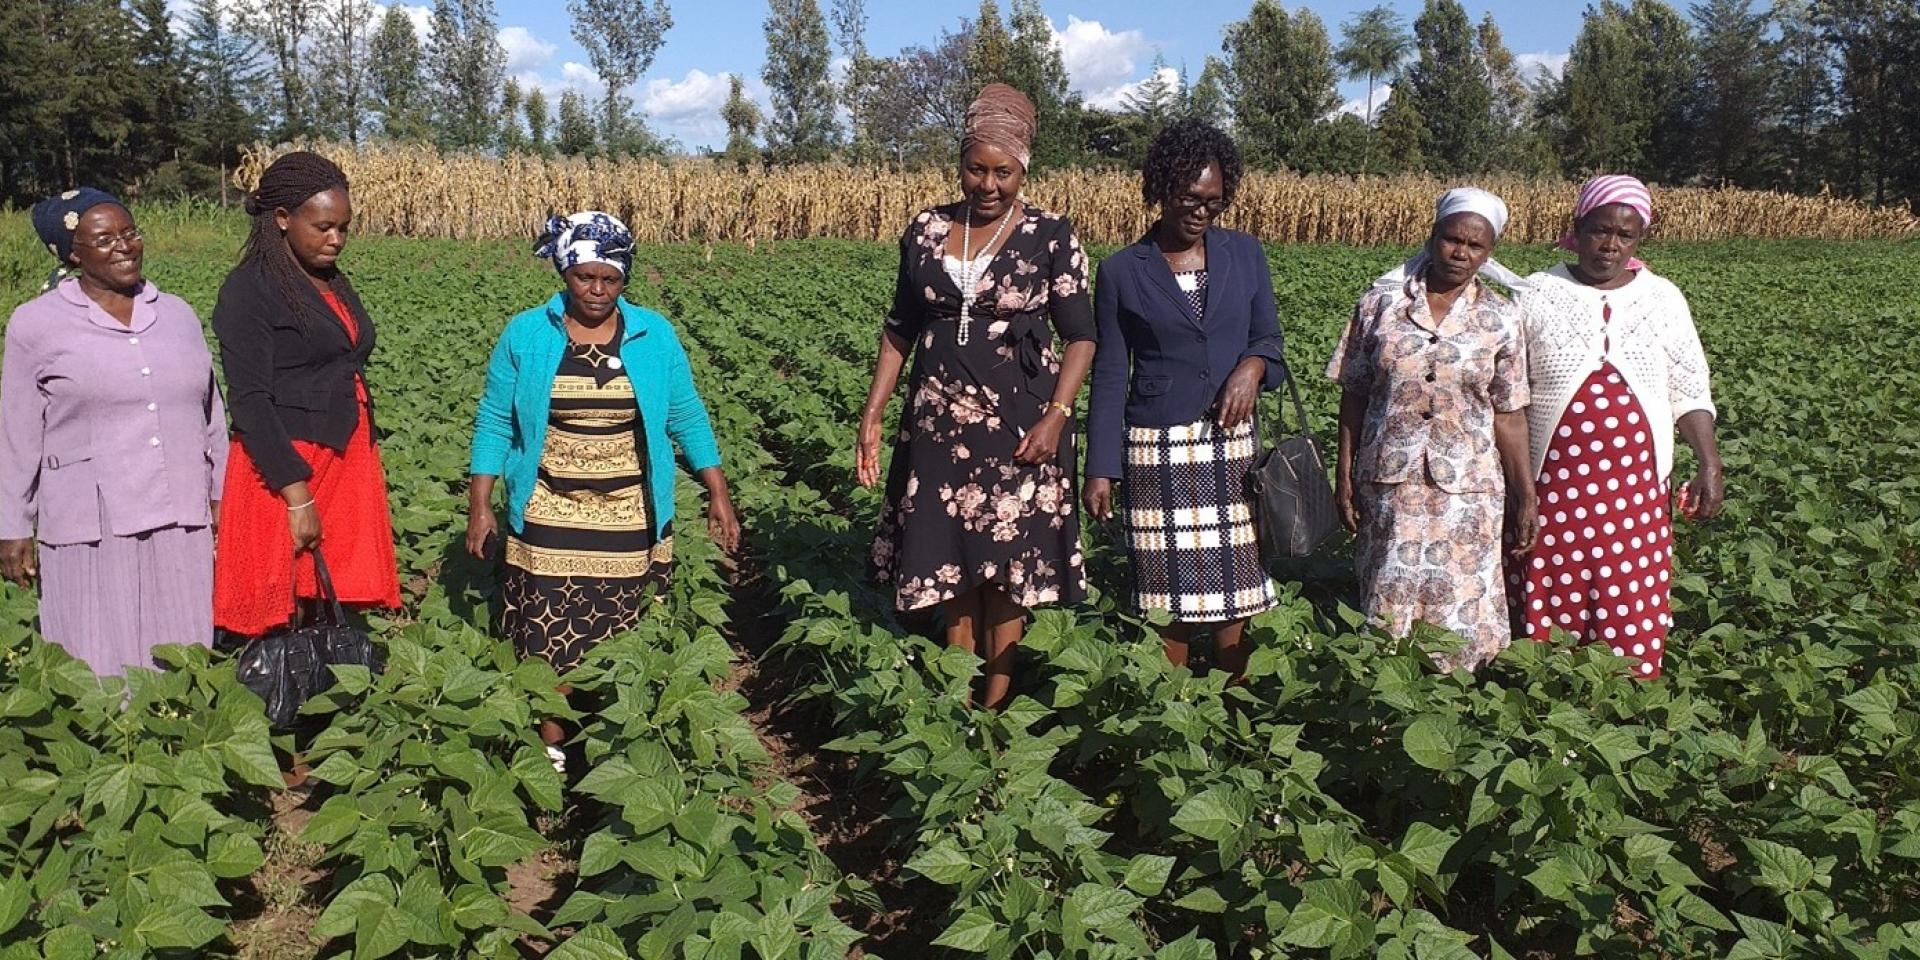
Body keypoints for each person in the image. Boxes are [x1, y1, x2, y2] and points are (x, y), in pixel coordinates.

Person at [467, 211, 739, 769]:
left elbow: (686, 414)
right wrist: (480, 505)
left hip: (628, 510)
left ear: (625, 279)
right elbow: (496, 421)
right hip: (547, 507)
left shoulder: (653, 334)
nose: (596, 290)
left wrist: (717, 491)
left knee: (619, 633)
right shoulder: (527, 333)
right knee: (547, 634)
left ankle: (612, 750)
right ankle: (551, 751)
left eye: (610, 279)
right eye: (584, 278)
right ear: (564, 273)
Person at [857, 83, 1097, 709]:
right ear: (960, 163)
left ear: (1024, 169)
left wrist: (1056, 416)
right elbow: (899, 327)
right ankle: (955, 692)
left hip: (1021, 422)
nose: (988, 184)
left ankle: (997, 702)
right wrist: (875, 411)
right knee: (950, 557)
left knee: (1007, 562)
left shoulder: (1052, 235)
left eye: (1004, 172)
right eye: (976, 169)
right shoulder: (927, 228)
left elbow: (1081, 338)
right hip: (939, 423)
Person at [1082, 120, 1285, 676]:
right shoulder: (1122, 271)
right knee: (1164, 595)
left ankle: (1232, 703)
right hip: (1156, 446)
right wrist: (1099, 467)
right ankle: (1169, 710)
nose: (1201, 212)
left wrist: (1253, 366)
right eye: (1189, 199)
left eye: (1214, 203)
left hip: (1229, 442)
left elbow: (1271, 340)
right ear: (1160, 190)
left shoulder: (1244, 254)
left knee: (1235, 590)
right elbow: (1108, 372)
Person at [0, 190, 227, 676]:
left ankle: (176, 737)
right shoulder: (35, 325)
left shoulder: (178, 314)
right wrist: (13, 525)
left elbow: (212, 415)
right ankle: (110, 743)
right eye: (104, 239)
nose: (124, 246)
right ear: (73, 253)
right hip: (91, 517)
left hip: (178, 509)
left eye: (130, 233)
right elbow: (17, 434)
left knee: (183, 642)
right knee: (97, 648)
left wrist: (221, 494)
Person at [1511, 175, 1722, 679]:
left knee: (1628, 588)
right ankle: (1548, 693)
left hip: (1635, 488)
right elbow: (1509, 394)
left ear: (1639, 239)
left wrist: (1709, 461)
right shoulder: (1537, 293)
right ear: (1576, 229)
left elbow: (1689, 389)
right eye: (1599, 230)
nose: (1610, 246)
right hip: (1554, 484)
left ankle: (1626, 693)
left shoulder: (1663, 298)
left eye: (1625, 235)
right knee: (1551, 578)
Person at [1329, 188, 1536, 673]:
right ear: (1432, 236)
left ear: (1489, 253)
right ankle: (1384, 706)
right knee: (1387, 596)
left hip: (1469, 492)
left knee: (1462, 608)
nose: (1461, 253)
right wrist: (1344, 473)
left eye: (1475, 246)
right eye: (1451, 239)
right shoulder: (1380, 306)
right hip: (1390, 484)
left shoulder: (1500, 318)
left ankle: (1459, 710)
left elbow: (1509, 413)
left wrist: (1525, 495)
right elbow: (1354, 394)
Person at [211, 151, 401, 637]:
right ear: (281, 219)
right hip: (288, 465)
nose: (335, 239)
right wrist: (296, 495)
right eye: (322, 227)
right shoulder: (249, 288)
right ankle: (280, 709)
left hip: (344, 453)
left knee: (330, 604)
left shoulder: (328, 279)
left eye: (344, 227)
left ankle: (331, 705)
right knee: (285, 611)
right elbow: (251, 400)